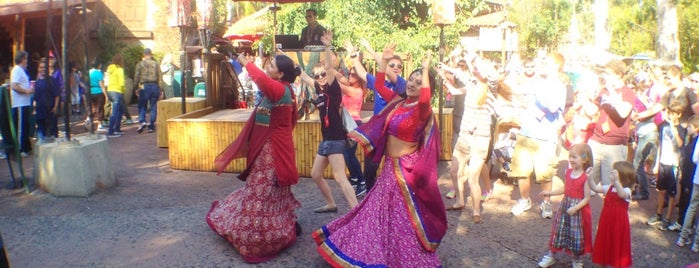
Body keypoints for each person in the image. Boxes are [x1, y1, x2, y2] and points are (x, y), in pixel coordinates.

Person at [313, 44, 446, 267]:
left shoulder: (423, 110)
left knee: (400, 217)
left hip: (406, 172)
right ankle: (375, 248)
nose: (413, 84)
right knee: (378, 212)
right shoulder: (399, 101)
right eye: (411, 79)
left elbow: (424, 99)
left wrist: (425, 70)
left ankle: (403, 255)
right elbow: (381, 85)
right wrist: (383, 62)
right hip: (389, 168)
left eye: (419, 81)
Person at [206, 52, 301, 264]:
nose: (268, 66)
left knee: (262, 193)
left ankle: (260, 239)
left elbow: (260, 79)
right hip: (268, 150)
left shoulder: (280, 90)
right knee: (265, 192)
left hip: (273, 152)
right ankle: (286, 225)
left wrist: (246, 63)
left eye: (272, 65)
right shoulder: (277, 91)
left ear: (281, 73)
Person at [301, 31, 358, 213]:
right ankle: (331, 204)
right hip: (326, 140)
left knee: (340, 176)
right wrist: (281, 59)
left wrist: (327, 47)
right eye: (317, 75)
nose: (320, 77)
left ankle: (356, 211)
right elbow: (302, 75)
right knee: (316, 174)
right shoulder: (319, 89)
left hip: (335, 138)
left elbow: (329, 67)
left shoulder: (333, 89)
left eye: (323, 74)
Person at [509, 53, 568, 218]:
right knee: (521, 171)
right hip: (526, 132)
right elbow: (517, 92)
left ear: (555, 65)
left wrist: (537, 90)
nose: (542, 64)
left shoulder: (559, 86)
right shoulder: (535, 82)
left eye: (546, 62)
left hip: (545, 137)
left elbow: (553, 106)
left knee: (545, 173)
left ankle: (546, 202)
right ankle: (524, 200)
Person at [347, 38, 407, 191]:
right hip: (378, 131)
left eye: (398, 66)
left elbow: (385, 70)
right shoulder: (380, 83)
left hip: (394, 133)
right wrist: (354, 57)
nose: (394, 68)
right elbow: (361, 73)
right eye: (391, 64)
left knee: (395, 167)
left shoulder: (402, 85)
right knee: (370, 168)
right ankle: (370, 196)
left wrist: (373, 52)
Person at [537, 143, 593, 268]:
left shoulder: (585, 177)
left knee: (576, 234)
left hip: (577, 211)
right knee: (558, 231)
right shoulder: (568, 172)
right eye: (570, 157)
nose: (571, 160)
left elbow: (587, 198)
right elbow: (564, 189)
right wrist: (549, 192)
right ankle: (551, 255)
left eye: (574, 157)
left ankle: (577, 259)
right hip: (565, 206)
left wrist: (575, 207)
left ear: (584, 159)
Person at [588, 59, 635, 186]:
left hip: (614, 146)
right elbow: (591, 110)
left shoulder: (628, 93)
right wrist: (585, 98)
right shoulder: (603, 91)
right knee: (588, 183)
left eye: (608, 74)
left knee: (610, 187)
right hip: (596, 141)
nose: (605, 76)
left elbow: (623, 112)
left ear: (618, 75)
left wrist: (612, 93)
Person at [589, 161, 635, 268]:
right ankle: (602, 264)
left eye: (614, 174)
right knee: (604, 243)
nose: (611, 177)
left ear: (622, 177)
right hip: (606, 221)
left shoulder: (627, 190)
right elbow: (595, 188)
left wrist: (617, 182)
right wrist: (590, 177)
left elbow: (622, 195)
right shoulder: (609, 187)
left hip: (619, 224)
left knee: (617, 244)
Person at [647, 102, 684, 231]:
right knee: (661, 190)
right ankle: (658, 214)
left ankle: (668, 218)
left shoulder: (681, 128)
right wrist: (657, 162)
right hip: (663, 162)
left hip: (673, 164)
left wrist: (673, 127)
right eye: (669, 112)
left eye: (673, 113)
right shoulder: (663, 127)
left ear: (679, 114)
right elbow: (661, 145)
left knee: (671, 192)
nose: (670, 115)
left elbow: (680, 144)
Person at [334, 64, 368, 196]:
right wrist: (329, 68)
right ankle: (354, 178)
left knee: (349, 154)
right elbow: (339, 76)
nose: (350, 76)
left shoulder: (356, 90)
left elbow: (337, 83)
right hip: (346, 123)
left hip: (353, 124)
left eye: (354, 74)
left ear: (359, 78)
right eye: (350, 73)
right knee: (346, 154)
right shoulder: (350, 87)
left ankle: (361, 181)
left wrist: (331, 76)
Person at [676, 116, 699, 253]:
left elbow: (695, 158)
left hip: (697, 178)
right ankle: (696, 244)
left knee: (692, 206)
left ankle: (683, 237)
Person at [9, 51, 34, 157]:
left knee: (24, 125)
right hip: (19, 103)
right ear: (22, 59)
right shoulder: (17, 70)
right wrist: (26, 91)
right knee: (20, 126)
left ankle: (25, 147)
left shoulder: (21, 71)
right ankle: (19, 149)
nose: (27, 61)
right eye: (26, 59)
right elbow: (14, 86)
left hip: (24, 102)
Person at [134, 48, 161, 134]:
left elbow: (136, 76)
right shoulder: (156, 64)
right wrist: (160, 88)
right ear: (151, 54)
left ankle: (142, 121)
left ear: (144, 55)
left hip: (144, 86)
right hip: (154, 85)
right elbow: (160, 76)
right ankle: (151, 126)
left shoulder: (140, 64)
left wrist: (136, 87)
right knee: (153, 106)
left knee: (142, 105)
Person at [33, 60, 59, 143]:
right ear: (38, 69)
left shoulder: (52, 80)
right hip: (39, 111)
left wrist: (55, 107)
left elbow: (57, 95)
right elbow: (35, 96)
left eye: (44, 67)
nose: (43, 69)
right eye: (41, 67)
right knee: (41, 132)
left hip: (50, 110)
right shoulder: (36, 82)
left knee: (52, 132)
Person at [106, 53, 126, 138]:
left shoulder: (109, 69)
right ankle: (111, 131)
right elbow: (122, 82)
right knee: (115, 112)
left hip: (110, 90)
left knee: (120, 110)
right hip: (117, 91)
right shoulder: (120, 70)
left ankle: (117, 128)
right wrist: (124, 90)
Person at [87, 59, 108, 131]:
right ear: (99, 65)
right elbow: (101, 84)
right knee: (100, 108)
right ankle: (100, 124)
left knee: (92, 107)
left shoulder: (89, 72)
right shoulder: (99, 73)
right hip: (98, 91)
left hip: (90, 91)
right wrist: (105, 94)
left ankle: (88, 119)